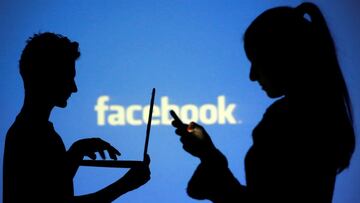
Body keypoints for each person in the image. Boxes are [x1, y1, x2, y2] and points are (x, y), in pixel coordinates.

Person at [172, 2, 355, 203]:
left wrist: (211, 161)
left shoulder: (284, 120)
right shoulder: (323, 114)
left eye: (256, 62)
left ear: (282, 58)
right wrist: (209, 155)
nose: (252, 76)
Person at [3, 32, 151, 203]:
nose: (74, 88)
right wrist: (125, 184)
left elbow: (54, 185)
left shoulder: (28, 131)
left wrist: (76, 151)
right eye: (68, 78)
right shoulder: (32, 135)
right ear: (48, 77)